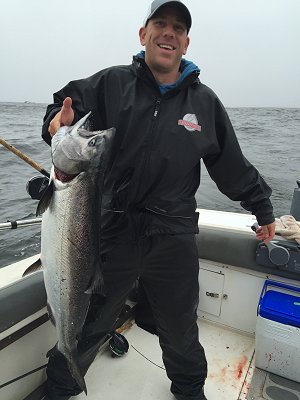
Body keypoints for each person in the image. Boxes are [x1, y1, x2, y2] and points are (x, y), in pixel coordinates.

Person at [41, 1, 276, 399]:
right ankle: (61, 387)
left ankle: (188, 391)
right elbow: (64, 114)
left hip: (173, 235)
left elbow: (230, 164)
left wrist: (262, 206)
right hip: (111, 230)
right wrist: (54, 122)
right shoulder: (110, 83)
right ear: (143, 34)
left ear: (185, 43)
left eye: (178, 28)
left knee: (180, 327)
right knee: (91, 319)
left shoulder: (204, 103)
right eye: (160, 24)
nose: (168, 32)